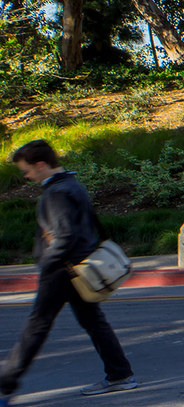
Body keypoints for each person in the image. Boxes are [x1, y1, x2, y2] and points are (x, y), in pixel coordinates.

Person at [0, 140, 135, 400]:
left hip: (62, 270)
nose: (26, 176)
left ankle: (5, 385)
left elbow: (65, 236)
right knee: (94, 322)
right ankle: (120, 374)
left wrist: (47, 265)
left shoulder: (56, 193)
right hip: (81, 268)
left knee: (37, 326)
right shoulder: (72, 184)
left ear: (41, 165)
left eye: (27, 170)